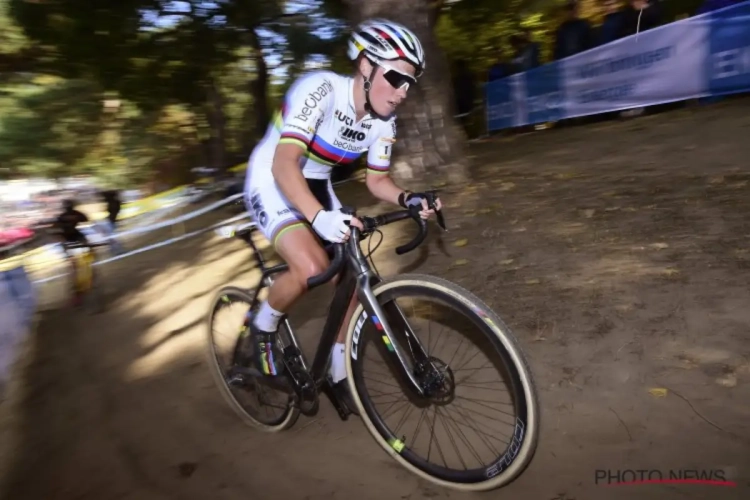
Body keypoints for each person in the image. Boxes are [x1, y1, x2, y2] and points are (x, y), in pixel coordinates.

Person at [242, 18, 443, 411]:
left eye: (410, 83)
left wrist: (409, 199)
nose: (403, 92)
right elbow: (285, 164)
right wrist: (318, 219)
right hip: (273, 176)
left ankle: (337, 371)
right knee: (312, 265)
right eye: (396, 77)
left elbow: (377, 181)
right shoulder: (320, 89)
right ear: (366, 65)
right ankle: (262, 328)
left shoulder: (384, 120)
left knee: (352, 273)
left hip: (316, 183)